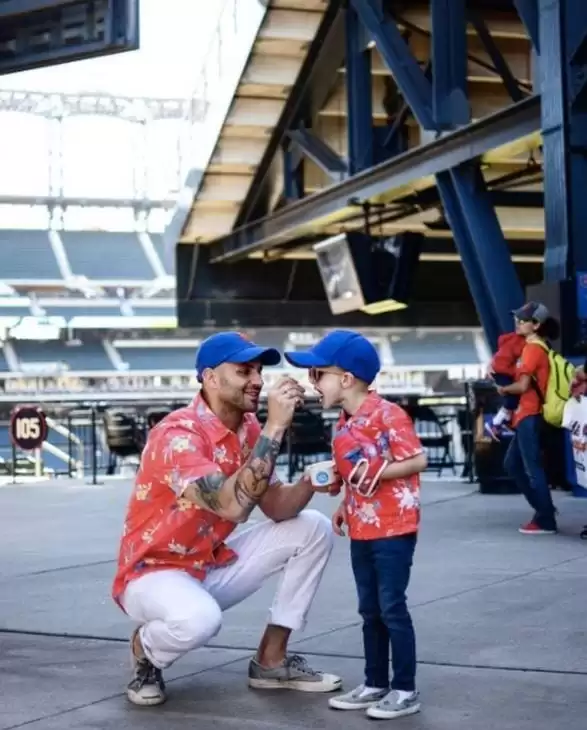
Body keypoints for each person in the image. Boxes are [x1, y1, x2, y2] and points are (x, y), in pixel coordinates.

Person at [111, 331, 342, 707]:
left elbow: (277, 507)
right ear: (210, 378)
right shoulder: (177, 435)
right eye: (243, 371)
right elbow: (232, 506)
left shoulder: (248, 430)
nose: (257, 380)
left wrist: (308, 482)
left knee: (313, 527)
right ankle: (145, 649)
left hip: (208, 563)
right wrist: (275, 426)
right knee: (200, 620)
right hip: (153, 573)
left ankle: (272, 660)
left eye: (258, 371)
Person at [284, 330, 427, 721]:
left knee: (392, 608)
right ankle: (375, 682)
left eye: (318, 375)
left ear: (345, 378)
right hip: (362, 528)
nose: (312, 384)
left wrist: (378, 474)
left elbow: (416, 460)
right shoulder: (344, 422)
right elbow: (353, 474)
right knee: (370, 609)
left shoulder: (388, 414)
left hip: (394, 527)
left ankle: (405, 688)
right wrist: (346, 500)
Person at [499, 302, 559, 534]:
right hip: (527, 415)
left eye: (523, 320)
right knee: (512, 464)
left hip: (529, 414)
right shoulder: (537, 346)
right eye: (518, 318)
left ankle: (545, 518)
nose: (518, 322)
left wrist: (503, 389)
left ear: (536, 325)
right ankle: (544, 511)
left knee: (532, 469)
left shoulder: (532, 349)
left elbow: (523, 385)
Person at [485, 330, 526, 440]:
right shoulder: (523, 343)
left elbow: (501, 340)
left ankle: (504, 421)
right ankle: (495, 423)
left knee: (512, 400)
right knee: (512, 399)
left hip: (498, 370)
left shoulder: (510, 339)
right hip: (502, 372)